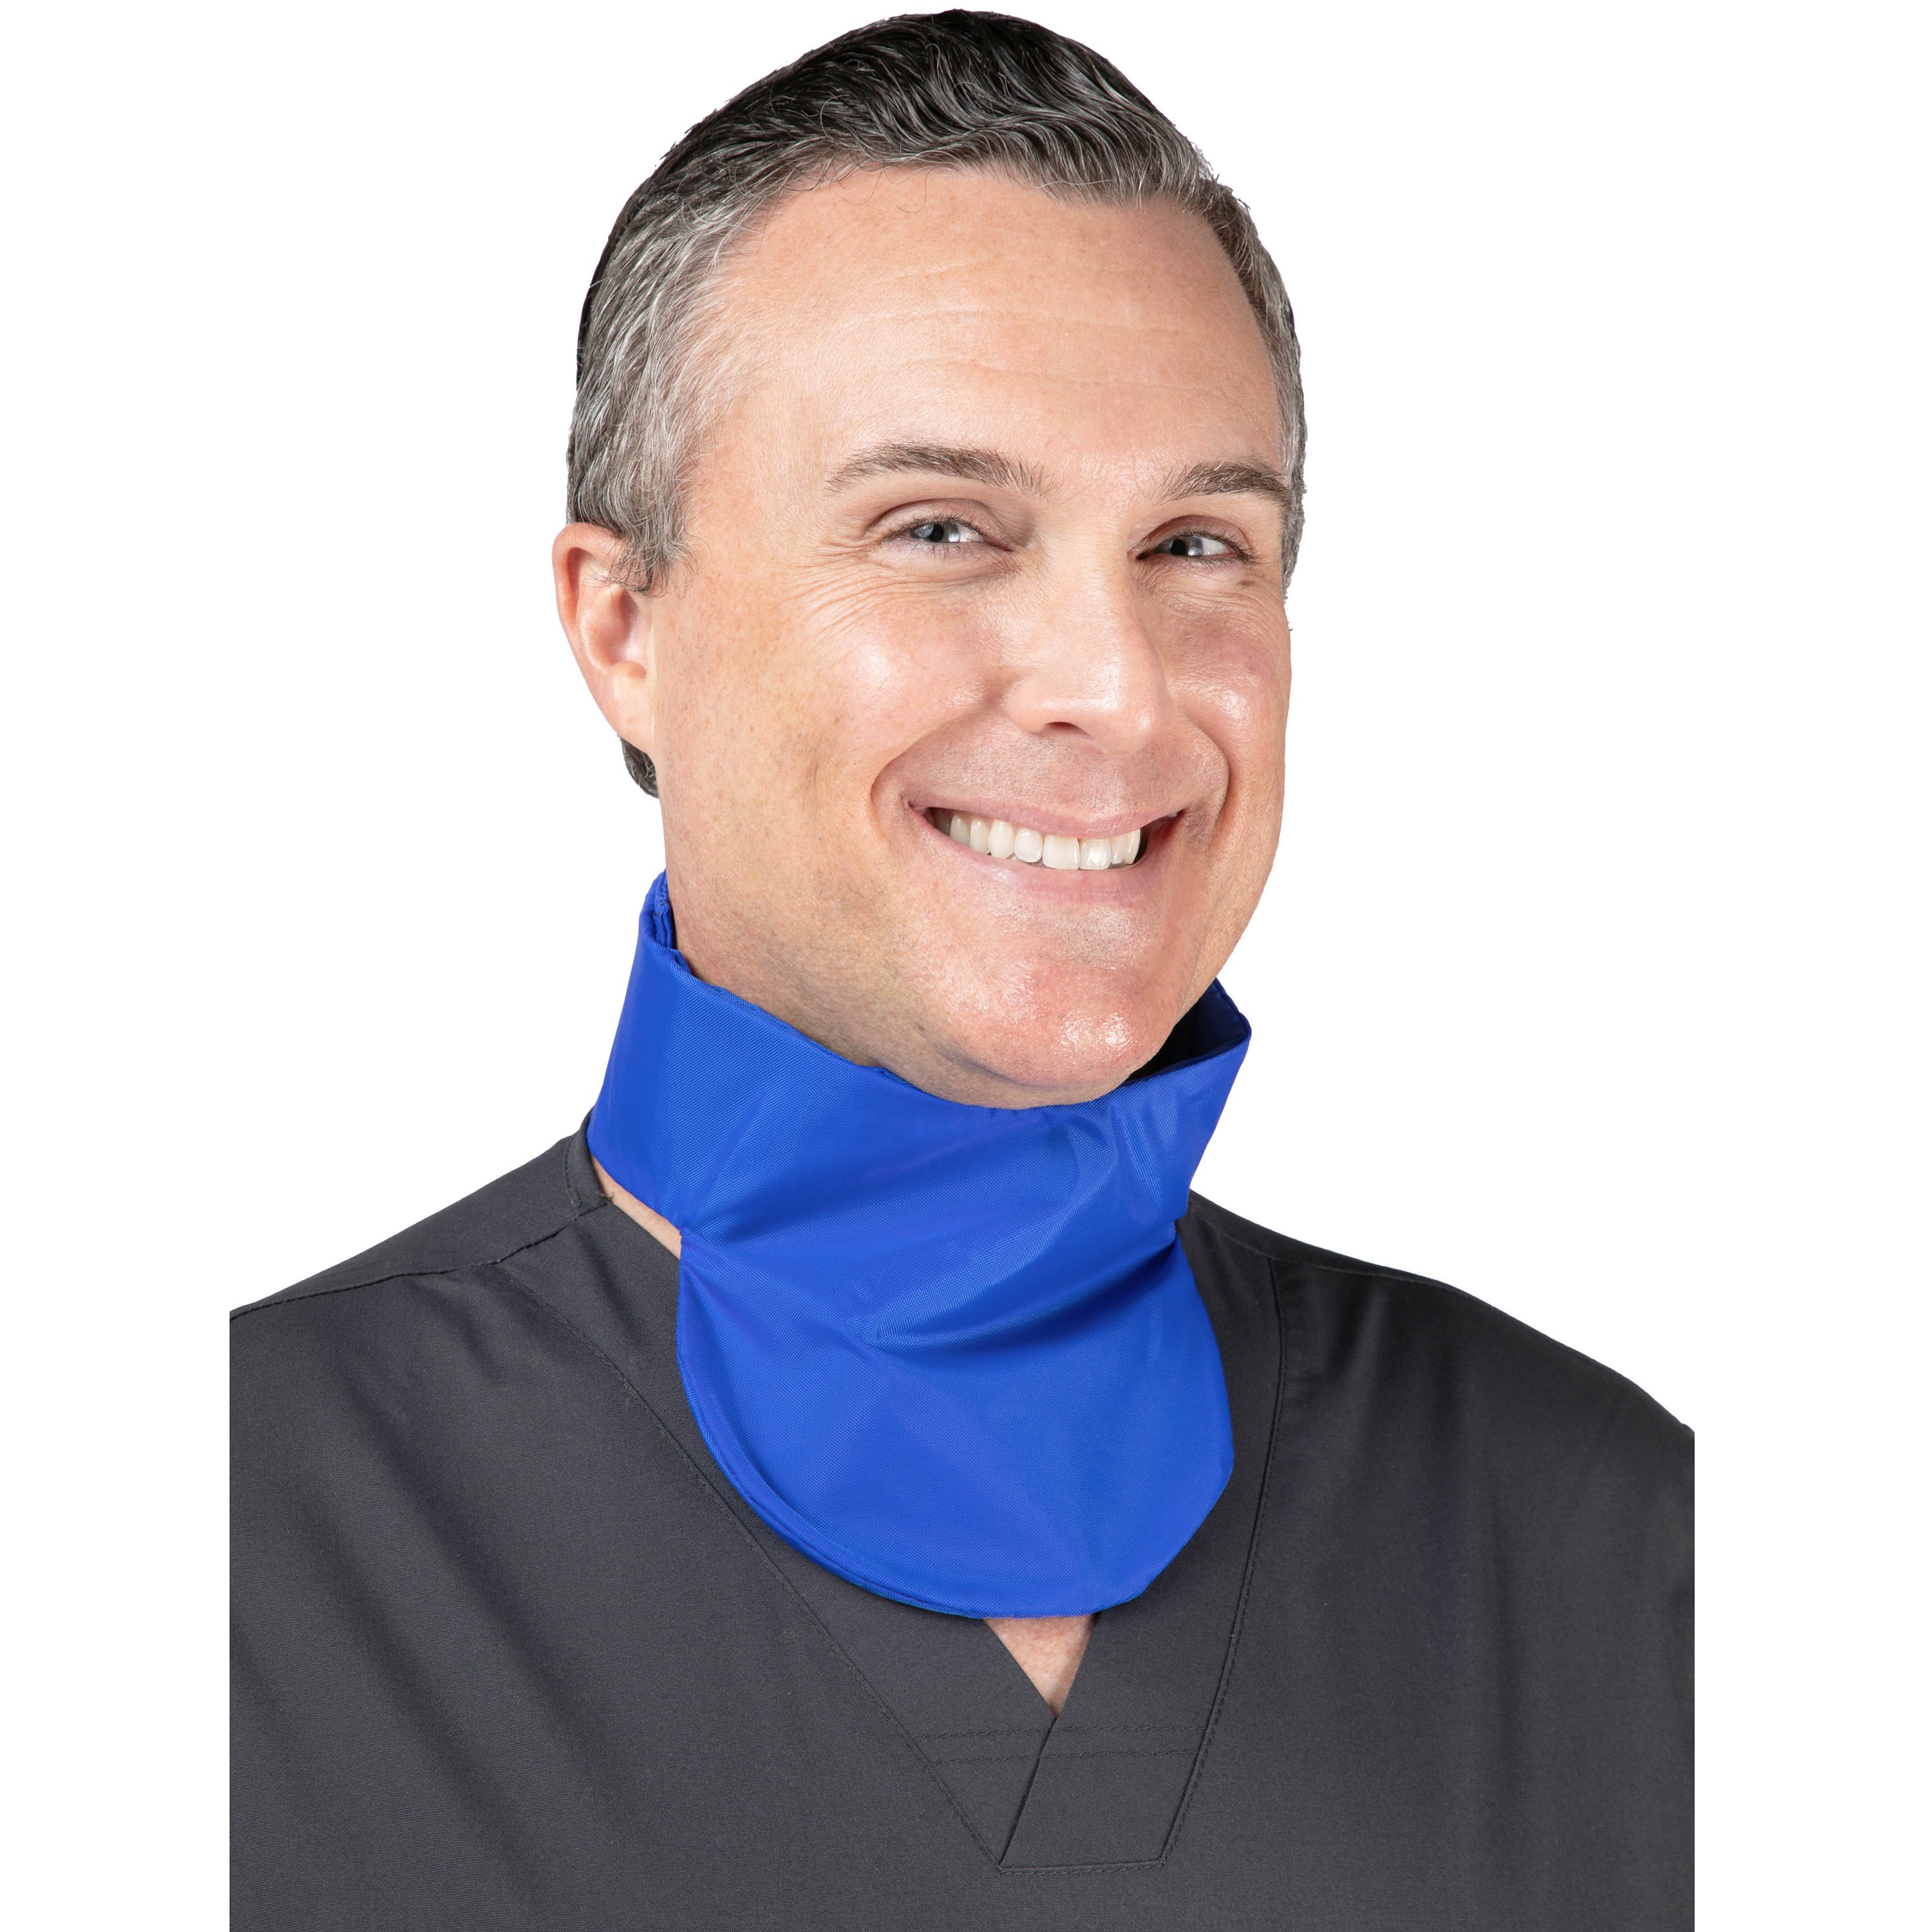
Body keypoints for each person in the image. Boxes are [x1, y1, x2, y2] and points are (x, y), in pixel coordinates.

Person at [231, 13, 1690, 1926]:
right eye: (940, 528)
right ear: (623, 627)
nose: (1116, 687)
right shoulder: (208, 1543)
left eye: (1198, 544)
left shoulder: (1614, 1540)